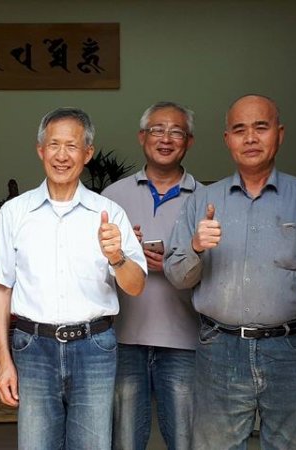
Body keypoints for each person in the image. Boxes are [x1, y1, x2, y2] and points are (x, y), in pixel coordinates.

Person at [164, 94, 296, 449]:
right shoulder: (201, 202)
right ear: (227, 140)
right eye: (239, 130)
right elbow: (177, 277)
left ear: (280, 134)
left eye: (261, 127)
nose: (250, 138)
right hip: (220, 349)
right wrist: (195, 247)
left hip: (292, 350)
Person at [0, 107, 147, 450]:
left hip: (94, 347)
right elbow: (0, 289)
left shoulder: (109, 214)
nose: (62, 155)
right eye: (53, 145)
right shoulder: (15, 213)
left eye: (71, 146)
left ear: (87, 153)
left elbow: (136, 285)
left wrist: (116, 256)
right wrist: (3, 360)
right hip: (32, 346)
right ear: (40, 149)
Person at [102, 101, 200, 450]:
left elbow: (220, 271)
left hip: (185, 340)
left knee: (187, 441)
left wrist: (178, 262)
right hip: (125, 338)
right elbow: (93, 270)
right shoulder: (113, 197)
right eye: (157, 130)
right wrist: (125, 257)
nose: (166, 138)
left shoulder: (205, 199)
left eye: (176, 132)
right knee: (125, 441)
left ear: (189, 141)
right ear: (142, 137)